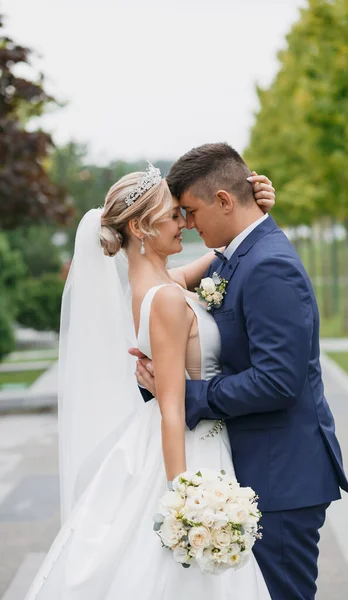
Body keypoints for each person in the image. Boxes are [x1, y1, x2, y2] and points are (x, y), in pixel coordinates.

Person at [22, 161, 275, 600]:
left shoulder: (155, 285)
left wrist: (255, 214)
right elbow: (172, 410)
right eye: (174, 214)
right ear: (140, 227)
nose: (185, 223)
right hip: (191, 450)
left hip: (184, 442)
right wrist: (186, 503)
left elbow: (221, 255)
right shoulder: (166, 299)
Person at [133, 143, 348, 600]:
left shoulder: (268, 264)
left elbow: (278, 381)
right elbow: (161, 288)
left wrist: (184, 396)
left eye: (191, 211)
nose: (188, 224)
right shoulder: (235, 256)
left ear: (225, 201)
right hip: (254, 470)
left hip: (282, 478)